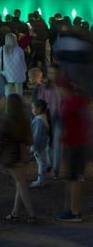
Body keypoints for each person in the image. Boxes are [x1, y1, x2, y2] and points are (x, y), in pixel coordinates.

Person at [54, 77, 89, 222]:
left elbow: (80, 122)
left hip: (76, 144)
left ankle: (75, 212)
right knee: (72, 177)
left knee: (75, 178)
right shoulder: (71, 101)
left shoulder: (72, 103)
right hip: (74, 144)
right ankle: (71, 208)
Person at [0, 94, 36, 223]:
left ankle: (31, 214)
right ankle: (15, 212)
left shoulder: (7, 121)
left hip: (11, 156)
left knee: (21, 184)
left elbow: (0, 141)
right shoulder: (24, 120)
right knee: (20, 183)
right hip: (22, 154)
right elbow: (29, 140)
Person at [0, 33, 26, 97]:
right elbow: (23, 62)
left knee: (7, 91)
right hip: (18, 74)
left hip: (6, 74)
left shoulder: (2, 50)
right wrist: (25, 70)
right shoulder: (19, 50)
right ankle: (19, 103)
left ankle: (9, 104)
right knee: (19, 92)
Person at [29, 99, 51, 188]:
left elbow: (36, 135)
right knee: (42, 162)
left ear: (39, 108)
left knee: (41, 163)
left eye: (33, 107)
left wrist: (33, 147)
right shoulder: (43, 117)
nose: (32, 109)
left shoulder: (39, 120)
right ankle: (41, 180)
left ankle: (40, 181)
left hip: (39, 146)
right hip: (42, 145)